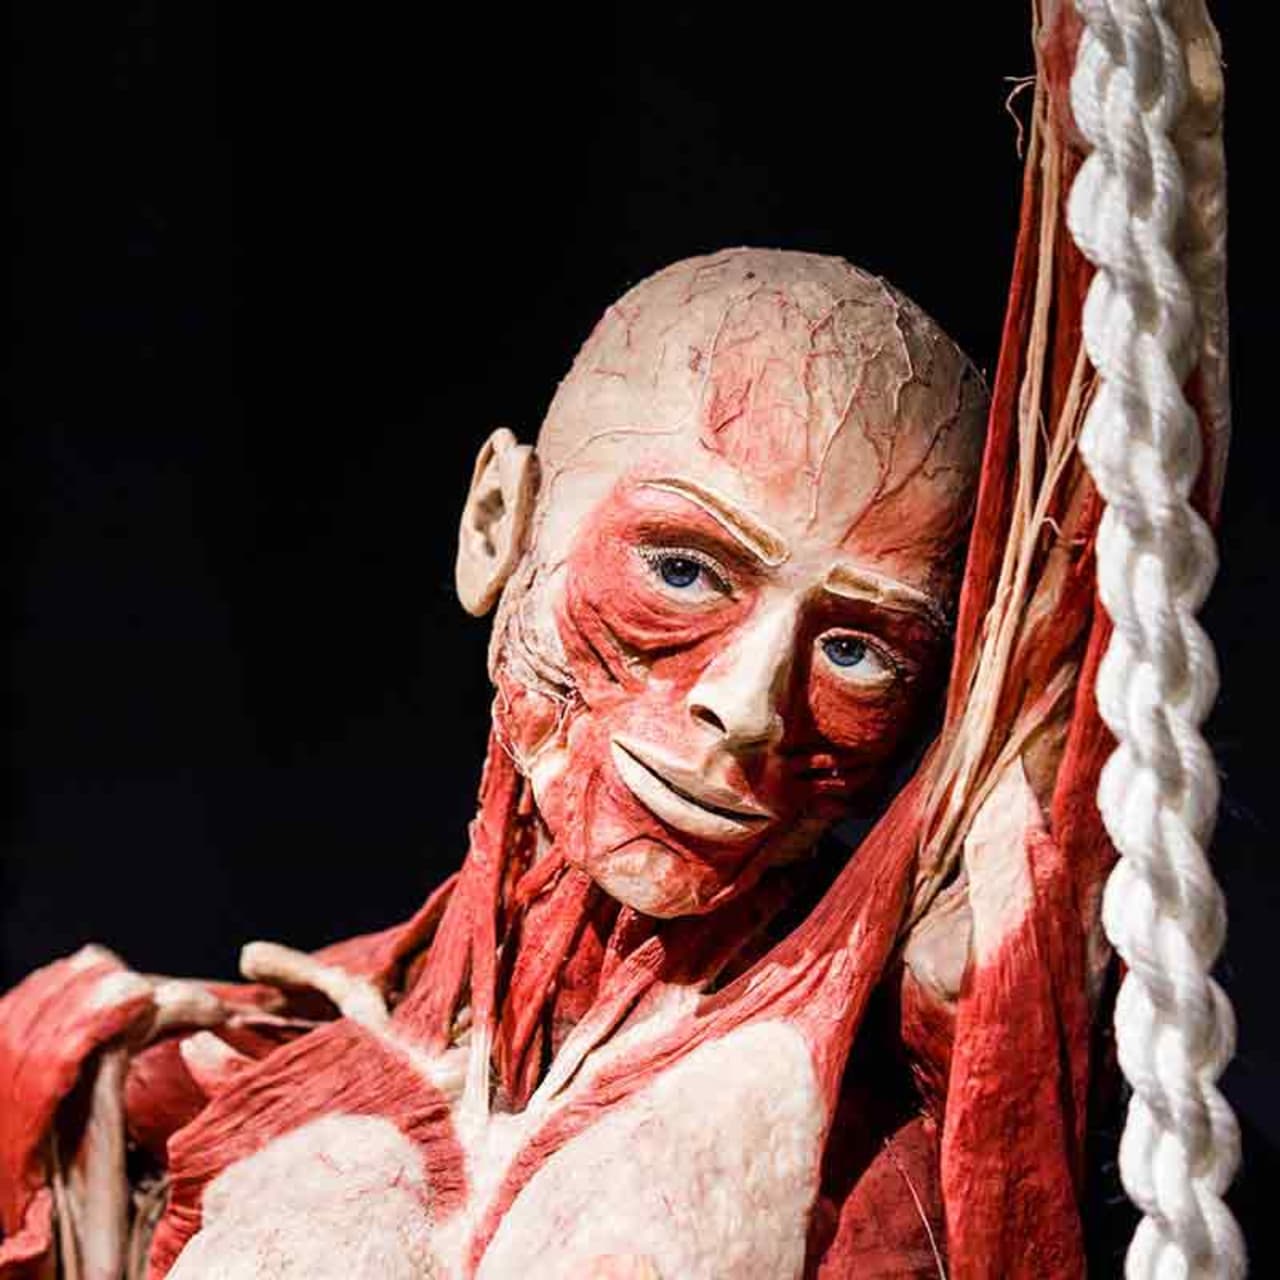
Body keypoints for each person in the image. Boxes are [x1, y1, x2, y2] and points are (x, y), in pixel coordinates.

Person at [0, 248, 1089, 1279]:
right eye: (682, 570)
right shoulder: (208, 1078)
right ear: (497, 526)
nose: (749, 707)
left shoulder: (893, 1137)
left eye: (856, 650)